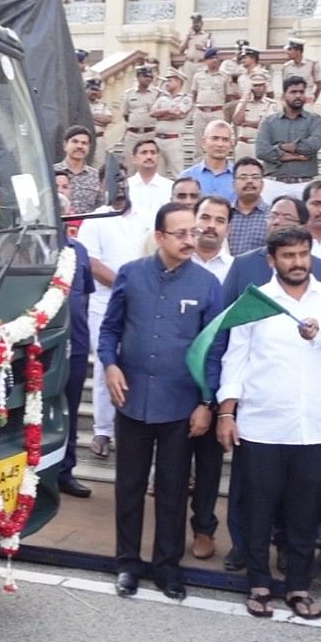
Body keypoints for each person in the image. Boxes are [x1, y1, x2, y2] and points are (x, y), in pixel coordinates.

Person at [218, 226, 321, 620]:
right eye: (288, 255)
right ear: (272, 261)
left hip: (318, 428)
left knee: (305, 513)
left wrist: (316, 330)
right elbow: (235, 359)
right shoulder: (255, 303)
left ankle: (298, 586)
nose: (297, 262)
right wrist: (227, 411)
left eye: (303, 254)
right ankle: (259, 583)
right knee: (258, 510)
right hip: (262, 426)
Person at [99, 203, 223, 601]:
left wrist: (207, 401)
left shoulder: (207, 285)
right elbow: (109, 330)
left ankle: (168, 568)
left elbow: (214, 349)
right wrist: (110, 365)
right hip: (132, 400)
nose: (192, 240)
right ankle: (127, 564)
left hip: (180, 405)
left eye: (194, 232)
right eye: (181, 234)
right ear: (159, 237)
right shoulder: (131, 275)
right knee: (130, 487)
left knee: (171, 489)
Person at [77, 184, 152, 460]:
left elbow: (153, 254)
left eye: (123, 182)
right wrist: (129, 286)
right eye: (112, 181)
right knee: (105, 365)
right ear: (101, 185)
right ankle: (103, 430)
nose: (119, 188)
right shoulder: (95, 219)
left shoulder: (146, 215)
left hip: (144, 302)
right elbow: (93, 265)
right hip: (105, 304)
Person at [187, 195, 233, 560]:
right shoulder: (175, 262)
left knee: (208, 463)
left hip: (216, 380)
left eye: (219, 219)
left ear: (227, 228)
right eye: (205, 217)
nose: (210, 225)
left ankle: (204, 527)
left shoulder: (234, 271)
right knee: (171, 463)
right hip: (173, 380)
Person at [59, 235, 96, 499]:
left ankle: (64, 472)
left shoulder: (79, 249)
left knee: (70, 411)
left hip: (77, 344)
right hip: (41, 345)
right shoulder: (31, 245)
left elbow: (84, 297)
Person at [256, 76, 321, 185]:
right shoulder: (269, 122)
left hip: (304, 183)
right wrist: (297, 156)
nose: (298, 95)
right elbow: (261, 151)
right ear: (284, 96)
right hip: (274, 182)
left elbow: (315, 144)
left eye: (301, 92)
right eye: (293, 92)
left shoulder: (314, 120)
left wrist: (281, 147)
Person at [179, 120, 238, 202]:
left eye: (225, 139)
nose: (220, 144)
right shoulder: (187, 176)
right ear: (203, 142)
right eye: (214, 138)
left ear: (231, 145)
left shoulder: (239, 177)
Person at [124, 138, 174, 230]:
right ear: (134, 159)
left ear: (158, 158)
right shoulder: (125, 187)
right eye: (144, 152)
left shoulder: (170, 187)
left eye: (153, 152)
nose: (149, 156)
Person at [151, 70, 194, 177]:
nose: (166, 83)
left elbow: (178, 113)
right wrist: (168, 111)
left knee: (178, 173)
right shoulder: (162, 98)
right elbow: (152, 113)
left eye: (169, 80)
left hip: (174, 140)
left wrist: (161, 114)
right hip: (158, 139)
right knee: (158, 174)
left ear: (178, 82)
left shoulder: (185, 98)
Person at [226, 157, 271, 256]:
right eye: (243, 177)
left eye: (255, 177)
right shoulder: (224, 215)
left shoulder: (273, 216)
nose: (249, 181)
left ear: (262, 184)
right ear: (233, 185)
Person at [53, 125, 102, 215]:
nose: (79, 146)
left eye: (84, 143)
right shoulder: (50, 173)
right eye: (75, 142)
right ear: (65, 145)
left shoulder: (96, 176)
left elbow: (101, 208)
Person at [230, 71, 277, 159]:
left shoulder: (271, 104)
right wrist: (245, 100)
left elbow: (266, 125)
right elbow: (237, 121)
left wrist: (247, 123)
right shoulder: (243, 102)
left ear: (265, 87)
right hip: (243, 144)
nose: (258, 88)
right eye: (255, 85)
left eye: (260, 85)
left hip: (260, 144)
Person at [190, 48, 231, 146]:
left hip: (216, 112)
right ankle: (198, 161)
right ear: (206, 60)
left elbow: (229, 96)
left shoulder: (225, 76)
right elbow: (194, 94)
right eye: (212, 58)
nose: (215, 60)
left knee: (217, 141)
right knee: (198, 143)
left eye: (217, 58)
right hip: (200, 112)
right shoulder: (198, 75)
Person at [191, 195, 233, 282]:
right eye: (205, 218)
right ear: (192, 221)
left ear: (227, 230)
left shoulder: (233, 268)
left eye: (220, 221)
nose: (211, 225)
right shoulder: (176, 260)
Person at [122, 64, 160, 157]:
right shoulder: (129, 94)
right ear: (138, 77)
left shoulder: (157, 93)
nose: (148, 79)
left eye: (150, 77)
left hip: (150, 133)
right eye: (145, 76)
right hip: (133, 134)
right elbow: (126, 114)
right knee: (130, 163)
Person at [280, 36, 321, 105]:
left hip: (307, 102)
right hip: (290, 103)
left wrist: (312, 99)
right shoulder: (286, 66)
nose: (288, 52)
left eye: (290, 49)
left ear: (298, 51)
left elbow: (319, 87)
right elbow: (284, 88)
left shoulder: (312, 64)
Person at [85, 78, 116, 152]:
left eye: (96, 90)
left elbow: (108, 119)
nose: (94, 92)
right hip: (84, 139)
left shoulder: (102, 105)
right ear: (85, 89)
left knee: (99, 162)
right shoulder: (80, 105)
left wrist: (89, 117)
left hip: (99, 139)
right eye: (92, 89)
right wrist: (97, 118)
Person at [181, 13, 215, 80]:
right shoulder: (189, 36)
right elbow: (180, 50)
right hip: (189, 64)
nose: (196, 24)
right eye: (194, 22)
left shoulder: (207, 36)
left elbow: (213, 52)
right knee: (188, 87)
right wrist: (187, 37)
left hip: (201, 64)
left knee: (201, 84)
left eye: (197, 22)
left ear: (201, 23)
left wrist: (202, 48)